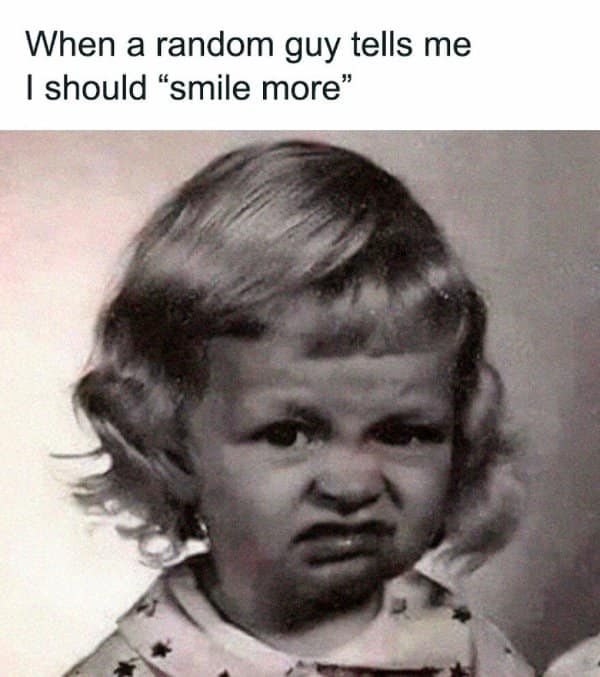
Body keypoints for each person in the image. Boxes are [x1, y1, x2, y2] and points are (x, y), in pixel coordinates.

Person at [65, 141, 533, 676]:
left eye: (403, 433)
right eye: (288, 434)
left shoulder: (466, 647)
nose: (353, 486)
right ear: (171, 450)